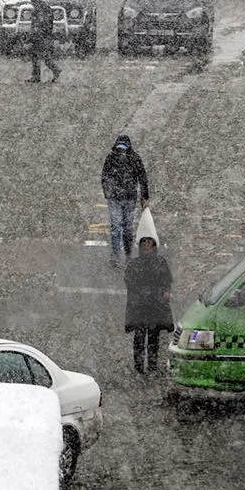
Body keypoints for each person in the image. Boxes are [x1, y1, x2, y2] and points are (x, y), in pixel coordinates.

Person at [124, 233, 174, 374]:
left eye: (149, 246)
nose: (146, 248)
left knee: (151, 338)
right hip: (145, 307)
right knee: (142, 338)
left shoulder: (140, 264)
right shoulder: (148, 264)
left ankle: (149, 365)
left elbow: (166, 282)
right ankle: (141, 366)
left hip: (148, 307)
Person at [101, 134, 150, 267]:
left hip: (126, 197)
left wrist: (144, 196)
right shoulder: (116, 158)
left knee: (124, 228)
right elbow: (105, 176)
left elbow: (142, 177)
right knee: (118, 227)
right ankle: (118, 256)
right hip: (120, 197)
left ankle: (125, 256)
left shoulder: (131, 159)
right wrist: (107, 190)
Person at [26, 0, 61, 83]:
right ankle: (37, 76)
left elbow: (40, 25)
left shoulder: (41, 10)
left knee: (43, 57)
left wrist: (33, 35)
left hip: (42, 37)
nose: (32, 4)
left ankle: (54, 70)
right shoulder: (43, 9)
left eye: (32, 2)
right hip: (42, 37)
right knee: (36, 56)